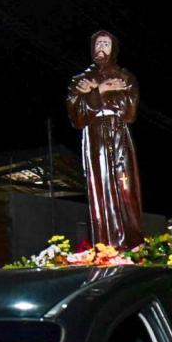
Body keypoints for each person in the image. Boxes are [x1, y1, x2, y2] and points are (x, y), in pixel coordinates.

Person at [66, 30, 143, 249]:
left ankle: (133, 242)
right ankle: (105, 243)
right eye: (98, 43)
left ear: (114, 49)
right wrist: (100, 89)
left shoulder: (125, 77)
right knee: (100, 186)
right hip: (95, 136)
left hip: (119, 134)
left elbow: (129, 112)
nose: (101, 47)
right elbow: (77, 116)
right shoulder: (81, 79)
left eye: (106, 44)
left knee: (125, 186)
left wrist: (95, 95)